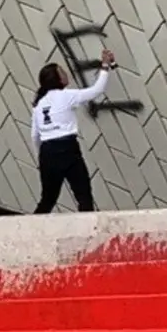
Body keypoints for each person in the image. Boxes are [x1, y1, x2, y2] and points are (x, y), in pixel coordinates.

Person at [30, 48, 115, 213]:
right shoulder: (66, 95)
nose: (65, 73)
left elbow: (35, 136)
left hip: (47, 152)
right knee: (83, 197)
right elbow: (96, 90)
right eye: (62, 72)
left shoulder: (39, 104)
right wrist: (105, 66)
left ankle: (26, 232)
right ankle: (87, 233)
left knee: (47, 199)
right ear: (57, 79)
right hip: (67, 148)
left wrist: (40, 157)